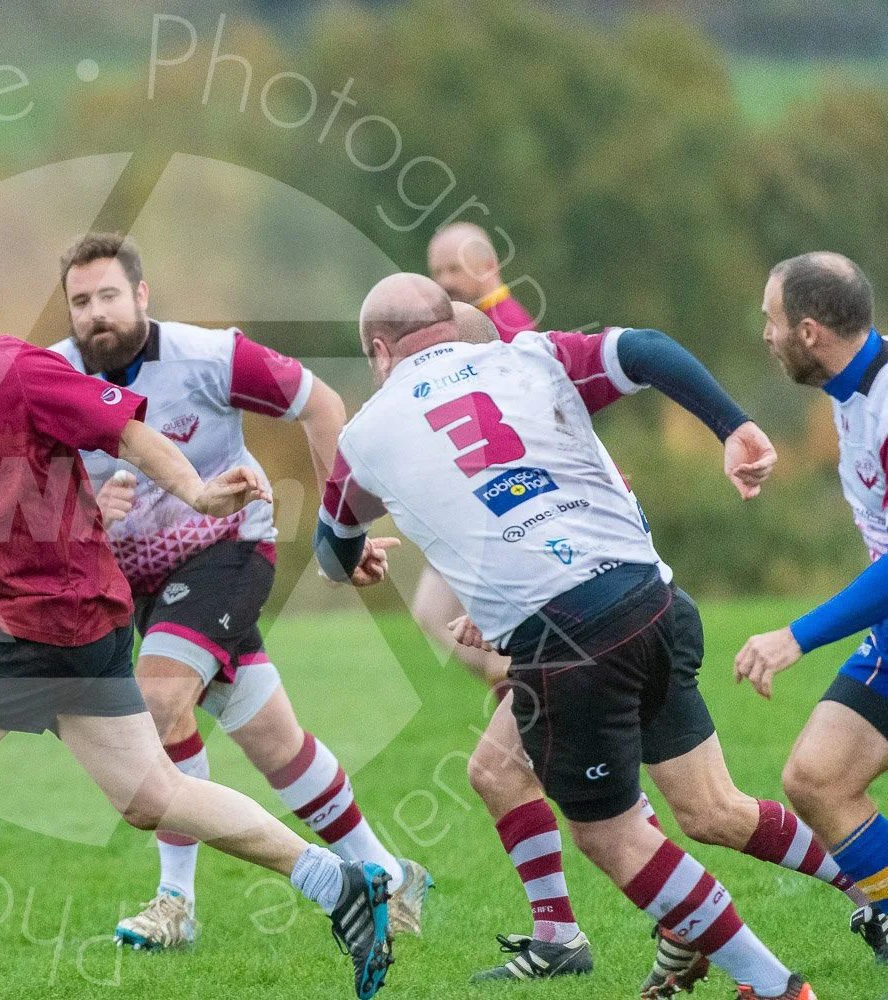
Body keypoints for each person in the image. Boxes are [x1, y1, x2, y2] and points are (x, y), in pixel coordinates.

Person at [0, 246, 395, 1000]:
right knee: (155, 797)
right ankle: (340, 883)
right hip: (77, 626)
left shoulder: (21, 373)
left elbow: (130, 436)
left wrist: (200, 493)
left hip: (31, 625)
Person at [315, 272, 820, 1000]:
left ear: (378, 349)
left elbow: (333, 548)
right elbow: (644, 348)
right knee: (706, 808)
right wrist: (733, 425)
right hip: (655, 600)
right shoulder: (530, 355)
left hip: (571, 641)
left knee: (610, 835)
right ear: (448, 326)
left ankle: (774, 987)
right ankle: (864, 890)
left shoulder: (365, 432)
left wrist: (356, 557)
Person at [438, 304, 877, 989]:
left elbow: (574, 527)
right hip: (640, 619)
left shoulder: (500, 421)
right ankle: (865, 895)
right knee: (712, 812)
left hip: (597, 636)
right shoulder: (516, 412)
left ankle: (669, 943)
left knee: (527, 785)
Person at [45, 233, 430, 951]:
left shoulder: (208, 357)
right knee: (275, 744)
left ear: (141, 296)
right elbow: (32, 493)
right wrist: (86, 516)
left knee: (157, 702)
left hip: (227, 551)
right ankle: (386, 871)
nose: (95, 313)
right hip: (136, 584)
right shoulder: (55, 377)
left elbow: (321, 403)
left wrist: (340, 530)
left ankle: (176, 903)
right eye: (79, 301)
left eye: (108, 296)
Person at [737, 251, 888, 958]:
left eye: (769, 321)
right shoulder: (851, 386)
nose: (762, 335)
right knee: (817, 777)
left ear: (807, 332)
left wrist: (797, 635)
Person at [420, 223, 538, 690]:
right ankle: (521, 692)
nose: (444, 281)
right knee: (432, 611)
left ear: (489, 266)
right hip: (467, 503)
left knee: (499, 654)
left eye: (455, 268)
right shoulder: (454, 328)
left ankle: (527, 704)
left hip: (505, 504)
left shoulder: (507, 327)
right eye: (436, 271)